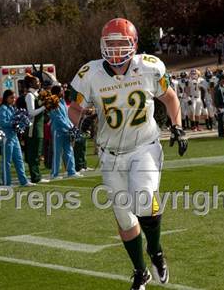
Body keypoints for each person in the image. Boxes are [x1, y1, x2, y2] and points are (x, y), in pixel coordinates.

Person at [68, 18, 188, 290]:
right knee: (124, 216)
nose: (115, 50)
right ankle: (140, 271)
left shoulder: (148, 67)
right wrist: (81, 120)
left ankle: (156, 251)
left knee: (145, 200)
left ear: (133, 44)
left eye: (121, 44)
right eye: (110, 44)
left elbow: (169, 98)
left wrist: (178, 127)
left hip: (143, 146)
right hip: (110, 154)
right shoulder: (90, 74)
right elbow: (73, 108)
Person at [0, 90, 34, 187]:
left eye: (14, 97)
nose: (14, 99)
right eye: (11, 98)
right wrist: (14, 123)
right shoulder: (3, 108)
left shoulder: (12, 108)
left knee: (19, 159)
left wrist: (22, 122)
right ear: (6, 98)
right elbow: (2, 122)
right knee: (7, 161)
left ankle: (24, 181)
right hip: (7, 138)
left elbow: (17, 119)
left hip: (14, 137)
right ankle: (6, 183)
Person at [49, 85, 82, 179]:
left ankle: (71, 171)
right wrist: (69, 127)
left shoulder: (62, 101)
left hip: (66, 130)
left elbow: (66, 117)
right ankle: (54, 174)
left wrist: (71, 126)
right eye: (61, 91)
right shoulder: (53, 103)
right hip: (58, 131)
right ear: (57, 92)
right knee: (57, 152)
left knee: (69, 150)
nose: (63, 92)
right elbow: (58, 118)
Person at [24, 75, 49, 183]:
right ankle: (35, 176)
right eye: (37, 82)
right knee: (33, 153)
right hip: (32, 128)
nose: (39, 83)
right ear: (31, 84)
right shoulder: (30, 95)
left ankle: (37, 174)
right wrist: (44, 106)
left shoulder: (37, 94)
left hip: (39, 127)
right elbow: (31, 113)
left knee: (38, 152)